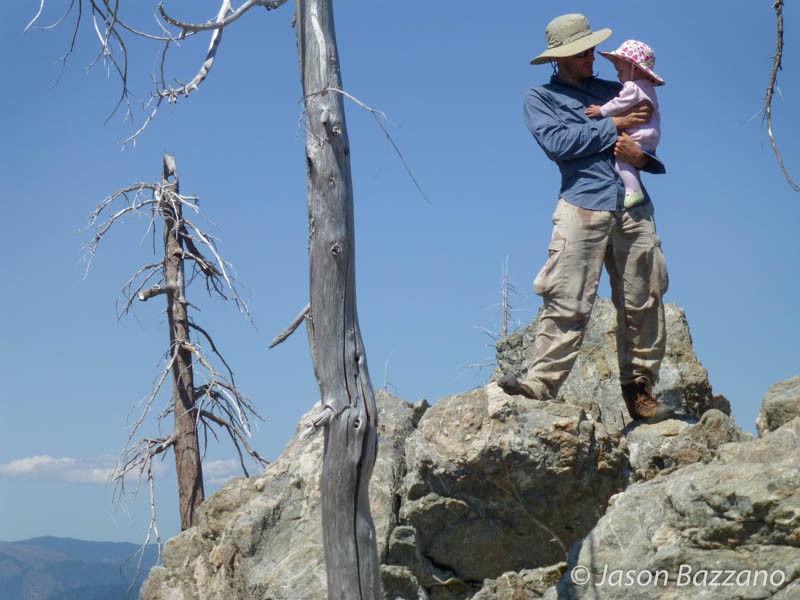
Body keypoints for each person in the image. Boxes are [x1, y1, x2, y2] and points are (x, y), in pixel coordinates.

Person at [497, 14, 674, 423]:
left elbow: (647, 133)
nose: (592, 55)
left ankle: (641, 392)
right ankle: (540, 387)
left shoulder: (615, 89)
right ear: (560, 58)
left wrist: (642, 158)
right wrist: (612, 126)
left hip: (632, 205)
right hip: (581, 205)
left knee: (644, 299)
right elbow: (559, 144)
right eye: (582, 51)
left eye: (592, 47)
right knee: (566, 299)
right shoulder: (539, 99)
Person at [585, 40, 664, 209]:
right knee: (630, 158)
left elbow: (619, 103)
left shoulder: (631, 87)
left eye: (620, 71)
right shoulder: (648, 88)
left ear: (634, 69)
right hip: (651, 134)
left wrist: (602, 111)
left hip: (639, 133)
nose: (618, 76)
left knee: (621, 161)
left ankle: (633, 189)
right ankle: (633, 187)